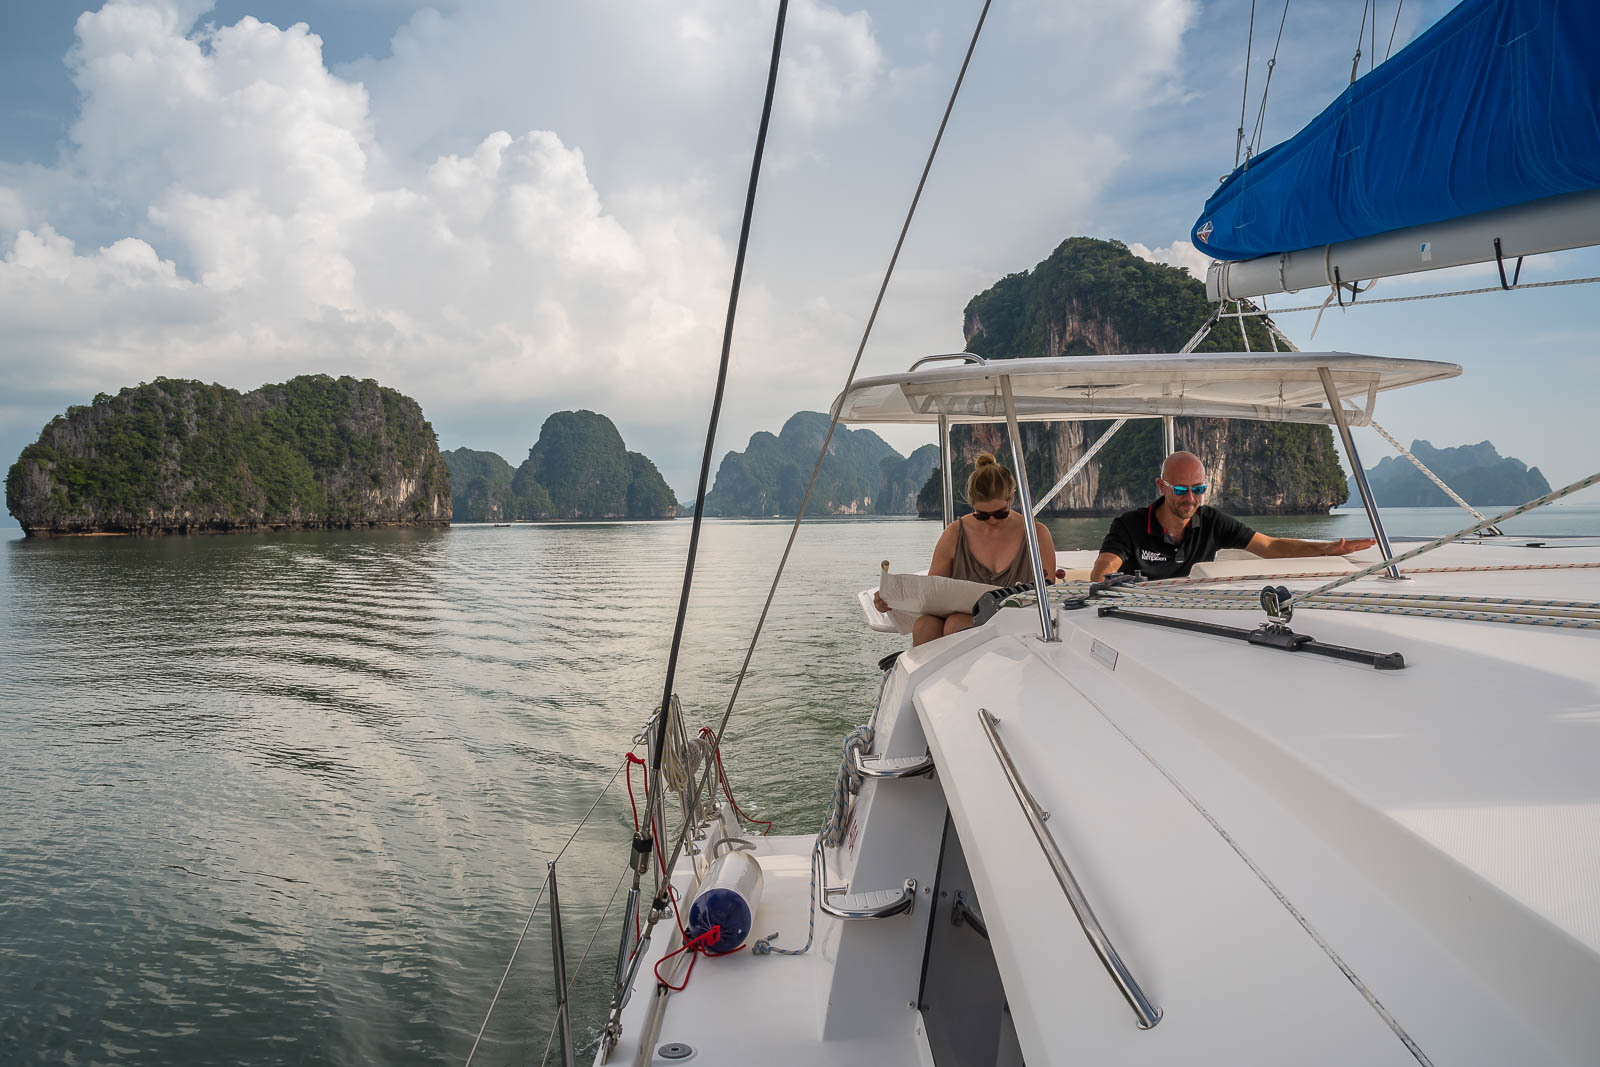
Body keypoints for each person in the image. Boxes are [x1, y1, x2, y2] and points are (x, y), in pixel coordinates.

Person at [1089, 451, 1376, 582]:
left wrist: (1327, 549)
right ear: (1161, 486)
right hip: (1137, 614)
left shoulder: (1211, 521)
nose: (1191, 499)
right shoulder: (1130, 525)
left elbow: (1269, 546)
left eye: (1198, 489)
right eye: (1180, 490)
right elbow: (1102, 571)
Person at [875, 453, 1058, 646]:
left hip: (1015, 621)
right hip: (957, 620)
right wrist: (890, 601)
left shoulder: (1036, 534)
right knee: (925, 625)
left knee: (956, 624)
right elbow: (930, 594)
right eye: (982, 515)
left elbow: (1049, 595)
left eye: (1000, 513)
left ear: (1011, 498)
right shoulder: (954, 534)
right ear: (972, 506)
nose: (992, 521)